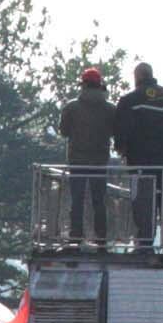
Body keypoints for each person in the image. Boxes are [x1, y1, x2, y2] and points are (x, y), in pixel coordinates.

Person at [111, 61, 163, 253]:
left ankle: (145, 242)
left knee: (143, 203)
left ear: (136, 77)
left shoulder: (130, 100)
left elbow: (121, 130)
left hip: (142, 164)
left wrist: (122, 151)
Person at [57, 67, 117, 244]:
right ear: (100, 85)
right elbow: (115, 131)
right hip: (99, 161)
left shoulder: (71, 107)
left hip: (77, 161)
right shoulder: (110, 109)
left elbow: (64, 131)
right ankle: (101, 236)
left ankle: (76, 234)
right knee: (99, 200)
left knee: (77, 199)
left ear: (83, 85)